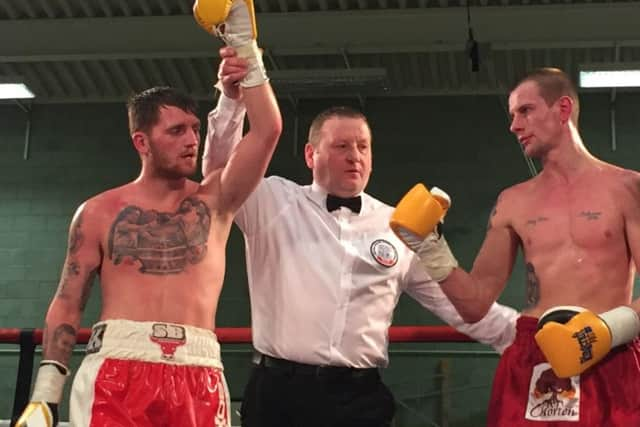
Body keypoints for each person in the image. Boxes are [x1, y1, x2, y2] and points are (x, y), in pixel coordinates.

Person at [203, 48, 519, 427]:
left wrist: (530, 336)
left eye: (362, 146)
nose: (355, 156)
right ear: (310, 154)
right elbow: (219, 177)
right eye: (341, 146)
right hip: (279, 394)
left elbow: (456, 306)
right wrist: (231, 103)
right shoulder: (273, 200)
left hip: (359, 399)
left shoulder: (399, 226)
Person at [14, 0, 281, 425]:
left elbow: (268, 129)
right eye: (176, 131)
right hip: (117, 365)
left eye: (194, 129)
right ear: (142, 142)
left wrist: (246, 50)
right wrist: (46, 393)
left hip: (199, 367)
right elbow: (68, 302)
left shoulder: (215, 200)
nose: (191, 140)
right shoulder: (99, 211)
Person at [391, 67, 640, 426]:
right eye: (512, 116)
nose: (514, 126)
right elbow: (475, 304)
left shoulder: (627, 189)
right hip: (535, 358)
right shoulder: (512, 202)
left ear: (563, 109)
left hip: (610, 356)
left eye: (525, 111)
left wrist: (607, 331)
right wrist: (430, 248)